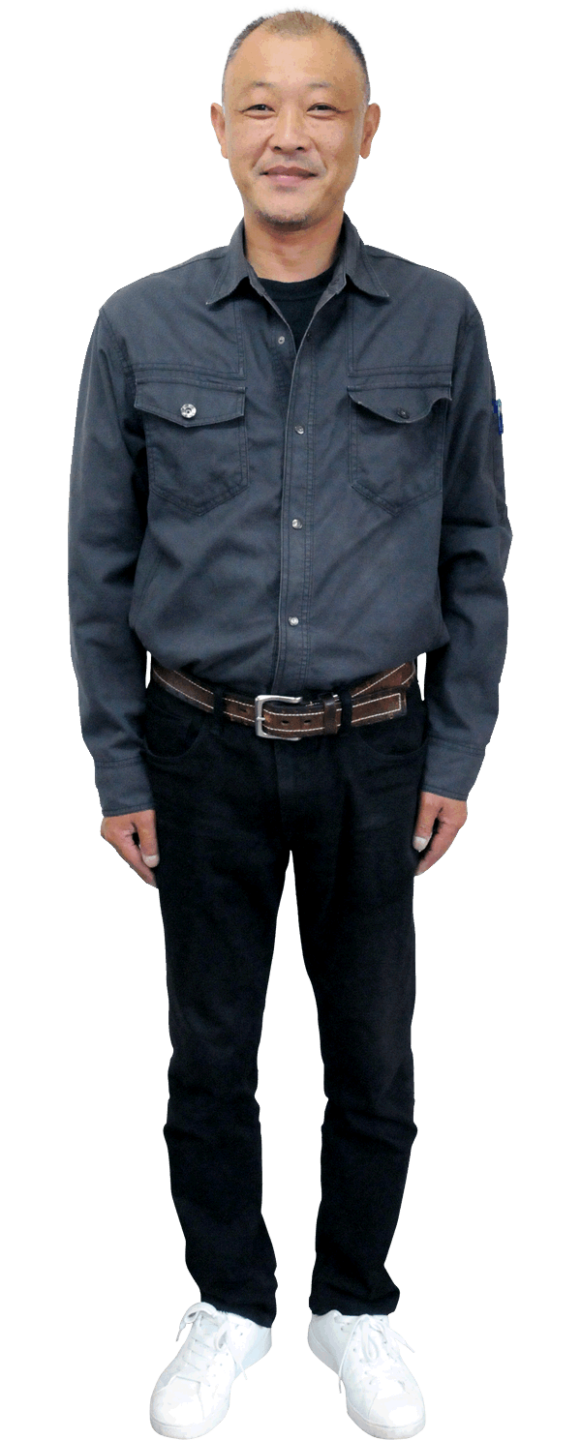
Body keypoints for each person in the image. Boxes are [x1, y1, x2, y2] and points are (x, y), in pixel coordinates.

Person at [67, 8, 511, 1439]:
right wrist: (118, 762)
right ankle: (230, 1306)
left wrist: (456, 753)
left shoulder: (441, 318)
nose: (290, 136)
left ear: (368, 133)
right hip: (192, 753)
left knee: (375, 1055)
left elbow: (478, 547)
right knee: (211, 1054)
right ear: (219, 130)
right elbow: (98, 565)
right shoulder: (137, 326)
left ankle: (354, 1308)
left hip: (381, 750)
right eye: (260, 107)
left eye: (323, 108)